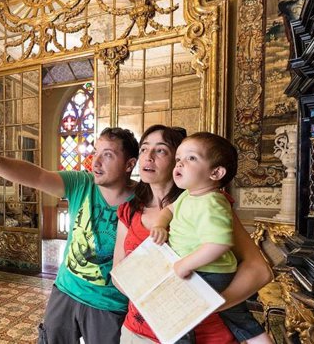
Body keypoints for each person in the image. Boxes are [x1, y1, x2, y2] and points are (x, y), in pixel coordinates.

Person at [0, 126, 139, 344]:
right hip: (66, 291)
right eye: (96, 152)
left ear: (129, 164)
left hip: (109, 304)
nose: (96, 162)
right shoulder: (81, 184)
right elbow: (36, 175)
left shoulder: (143, 202)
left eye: (108, 155)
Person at [113, 125, 273, 344]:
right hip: (137, 332)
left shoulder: (209, 202)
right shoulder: (130, 210)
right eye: (143, 149)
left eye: (160, 150)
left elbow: (259, 272)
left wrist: (197, 307)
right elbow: (119, 273)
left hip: (204, 335)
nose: (148, 157)